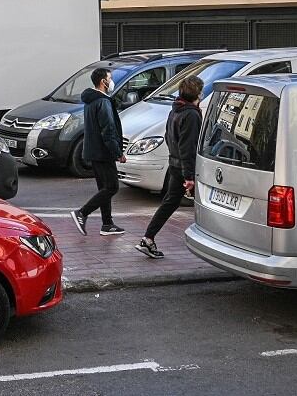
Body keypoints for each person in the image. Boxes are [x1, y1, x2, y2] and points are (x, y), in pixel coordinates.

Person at [137, 76, 203, 258]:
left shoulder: (175, 110)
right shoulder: (191, 114)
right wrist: (189, 176)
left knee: (169, 203)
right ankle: (211, 240)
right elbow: (188, 147)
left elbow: (169, 137)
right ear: (197, 93)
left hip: (174, 164)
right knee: (208, 205)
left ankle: (148, 238)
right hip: (186, 167)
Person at [72, 67, 125, 237]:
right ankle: (82, 213)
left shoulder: (91, 100)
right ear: (103, 81)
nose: (111, 81)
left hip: (94, 151)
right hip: (103, 152)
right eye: (109, 78)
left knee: (104, 188)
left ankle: (107, 224)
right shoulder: (103, 102)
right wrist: (117, 152)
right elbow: (108, 130)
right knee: (112, 187)